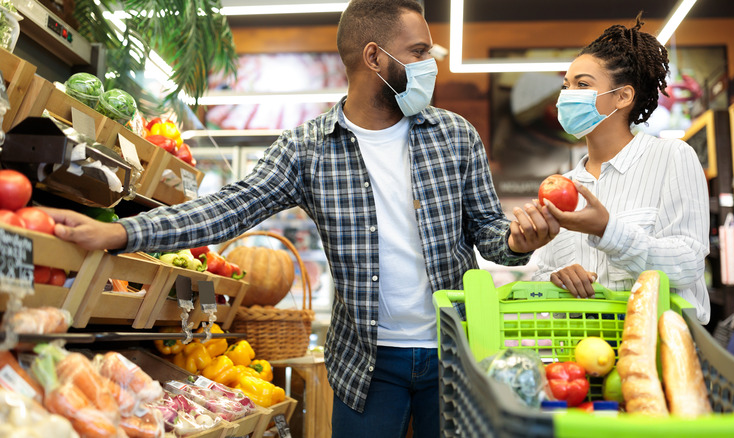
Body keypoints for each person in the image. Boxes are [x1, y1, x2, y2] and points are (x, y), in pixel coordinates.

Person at [45, 0, 559, 436]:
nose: (431, 65)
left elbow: (490, 235)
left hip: (455, 355)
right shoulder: (308, 149)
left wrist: (519, 240)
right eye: (420, 53)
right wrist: (122, 230)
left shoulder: (454, 135)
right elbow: (229, 207)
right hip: (367, 365)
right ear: (375, 57)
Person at [529, 14, 711, 324]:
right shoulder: (565, 185)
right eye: (566, 85)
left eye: (582, 84)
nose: (567, 95)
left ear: (623, 96)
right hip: (580, 352)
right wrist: (556, 279)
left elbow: (687, 263)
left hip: (655, 347)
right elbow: (539, 277)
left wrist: (607, 231)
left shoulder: (671, 157)